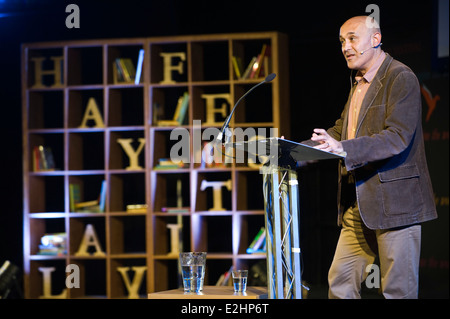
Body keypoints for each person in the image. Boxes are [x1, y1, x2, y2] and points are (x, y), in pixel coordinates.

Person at [309, 16, 438, 299]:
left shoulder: (400, 77)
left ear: (376, 39)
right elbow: (341, 131)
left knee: (398, 291)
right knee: (340, 284)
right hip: (358, 205)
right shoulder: (358, 83)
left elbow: (397, 137)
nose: (346, 47)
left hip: (395, 204)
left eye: (353, 38)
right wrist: (303, 150)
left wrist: (342, 148)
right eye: (342, 41)